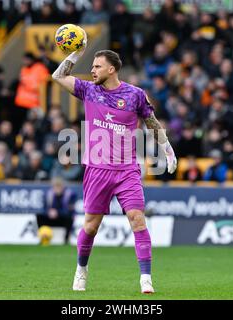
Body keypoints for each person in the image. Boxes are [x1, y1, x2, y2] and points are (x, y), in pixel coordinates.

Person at [52, 32, 177, 293]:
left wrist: (167, 149)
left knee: (137, 219)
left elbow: (152, 123)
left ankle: (146, 279)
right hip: (97, 169)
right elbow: (58, 77)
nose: (92, 70)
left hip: (126, 170)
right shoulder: (88, 90)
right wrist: (76, 53)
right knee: (91, 226)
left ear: (112, 68)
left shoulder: (135, 95)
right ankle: (81, 269)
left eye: (97, 66)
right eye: (92, 65)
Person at [38, 177, 77, 244]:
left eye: (59, 186)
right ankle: (43, 236)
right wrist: (49, 212)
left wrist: (57, 212)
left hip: (63, 218)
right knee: (39, 216)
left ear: (63, 187)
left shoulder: (70, 195)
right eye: (56, 186)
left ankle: (66, 239)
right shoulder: (48, 195)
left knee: (70, 218)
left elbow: (70, 211)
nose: (57, 189)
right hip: (50, 218)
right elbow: (44, 209)